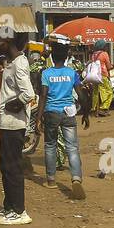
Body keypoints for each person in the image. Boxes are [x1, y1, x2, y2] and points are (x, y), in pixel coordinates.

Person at [0, 30, 36, 225]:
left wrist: (15, 103)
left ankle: (19, 211)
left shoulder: (19, 63)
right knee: (5, 166)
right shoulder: (11, 62)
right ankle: (9, 207)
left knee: (13, 167)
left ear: (8, 41)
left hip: (14, 124)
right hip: (7, 122)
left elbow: (28, 93)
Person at [39, 41, 87, 200]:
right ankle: (76, 178)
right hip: (69, 112)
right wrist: (86, 113)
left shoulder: (46, 74)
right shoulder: (72, 73)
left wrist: (38, 117)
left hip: (51, 113)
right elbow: (80, 95)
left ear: (52, 57)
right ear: (66, 57)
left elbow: (43, 96)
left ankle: (51, 180)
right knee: (72, 147)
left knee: (50, 145)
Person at [90, 41, 114, 117]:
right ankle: (103, 108)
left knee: (96, 93)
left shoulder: (94, 55)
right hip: (103, 75)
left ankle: (94, 109)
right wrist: (112, 66)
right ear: (103, 46)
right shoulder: (104, 54)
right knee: (108, 92)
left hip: (95, 76)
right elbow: (108, 66)